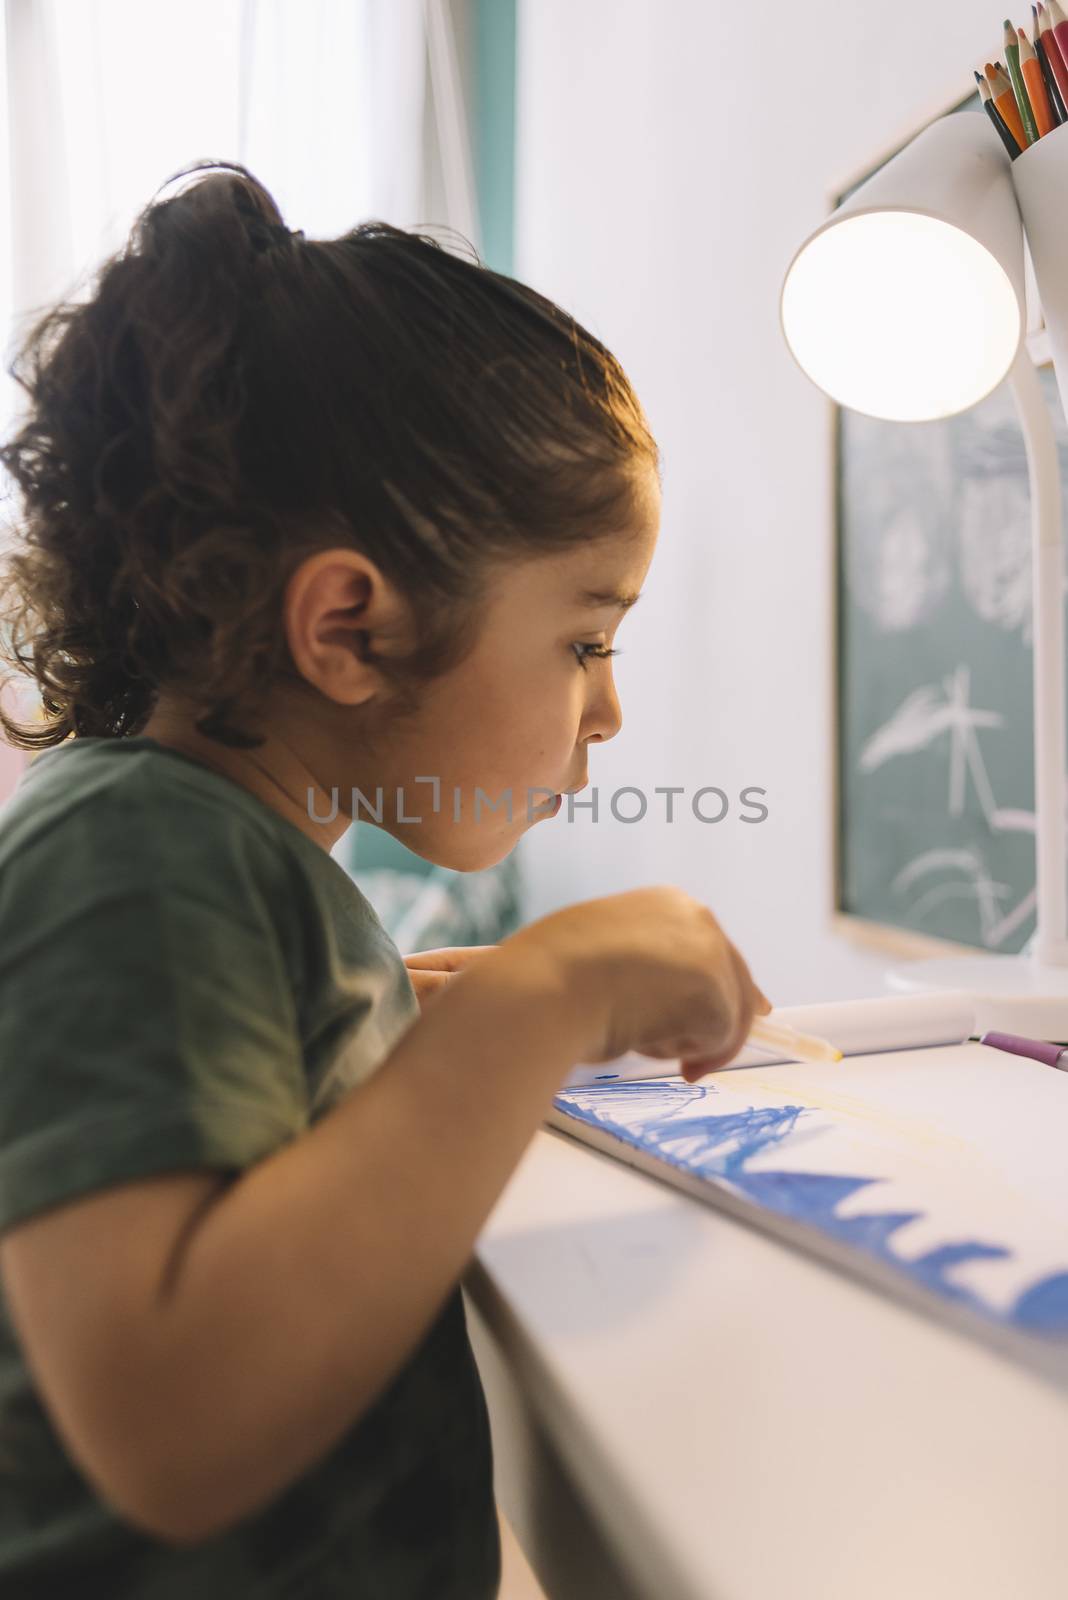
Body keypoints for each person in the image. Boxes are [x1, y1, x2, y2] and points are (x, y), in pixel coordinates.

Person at [0, 160, 771, 1598]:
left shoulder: (227, 863)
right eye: (588, 639)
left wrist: (389, 1025)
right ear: (350, 628)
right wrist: (535, 999)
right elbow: (167, 1421)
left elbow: (247, 1130)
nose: (608, 712)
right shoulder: (136, 856)